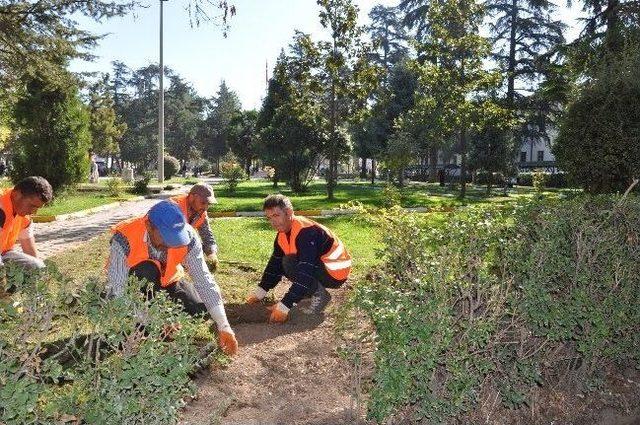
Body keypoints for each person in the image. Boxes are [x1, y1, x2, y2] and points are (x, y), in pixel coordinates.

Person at [105, 200, 238, 355]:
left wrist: (224, 326)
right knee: (147, 271)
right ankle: (144, 327)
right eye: (165, 237)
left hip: (168, 282)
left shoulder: (188, 236)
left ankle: (164, 322)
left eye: (175, 238)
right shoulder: (124, 238)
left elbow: (203, 279)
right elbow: (117, 292)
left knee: (200, 309)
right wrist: (156, 320)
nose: (171, 244)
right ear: (149, 226)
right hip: (136, 287)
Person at [245, 194, 352, 323]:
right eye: (269, 218)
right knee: (284, 262)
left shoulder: (306, 232)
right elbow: (274, 265)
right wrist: (260, 292)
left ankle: (320, 296)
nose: (272, 222)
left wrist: (284, 306)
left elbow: (305, 272)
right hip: (322, 267)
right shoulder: (282, 235)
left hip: (336, 274)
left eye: (276, 215)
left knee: (290, 263)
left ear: (289, 212)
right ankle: (307, 293)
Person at [0, 176, 52, 273]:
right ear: (17, 195)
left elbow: (30, 250)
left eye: (37, 208)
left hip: (3, 253)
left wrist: (37, 273)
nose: (34, 212)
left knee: (37, 267)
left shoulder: (24, 217)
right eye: (32, 206)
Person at [170, 183, 219, 272]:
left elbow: (207, 235)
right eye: (203, 202)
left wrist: (212, 254)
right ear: (192, 197)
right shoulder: (173, 208)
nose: (206, 207)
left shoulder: (200, 212)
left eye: (208, 204)